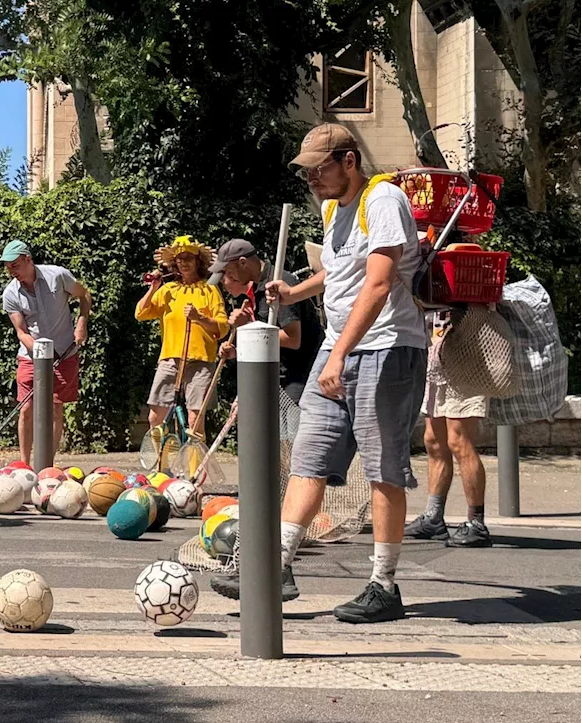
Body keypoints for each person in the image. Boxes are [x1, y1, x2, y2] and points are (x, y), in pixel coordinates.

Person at [211, 123, 429, 624]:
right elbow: (341, 271)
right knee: (308, 456)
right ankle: (277, 566)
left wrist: (336, 356)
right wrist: (294, 292)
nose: (311, 178)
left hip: (388, 348)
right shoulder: (334, 209)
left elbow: (377, 284)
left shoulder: (384, 199)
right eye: (306, 171)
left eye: (318, 168)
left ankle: (384, 585)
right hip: (342, 349)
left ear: (349, 161)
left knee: (382, 467)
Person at [0, 241, 91, 468]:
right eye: (8, 268)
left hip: (64, 351)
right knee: (26, 409)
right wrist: (41, 355)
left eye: (15, 266)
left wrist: (82, 324)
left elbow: (84, 294)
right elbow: (21, 332)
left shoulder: (58, 276)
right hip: (31, 356)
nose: (12, 272)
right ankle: (24, 465)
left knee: (55, 407)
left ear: (28, 259)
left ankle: (47, 466)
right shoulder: (10, 293)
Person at [408, 311, 492, 547]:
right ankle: (433, 517)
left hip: (466, 355)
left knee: (459, 441)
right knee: (434, 440)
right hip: (436, 357)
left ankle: (477, 523)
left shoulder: (473, 277)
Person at [209, 238, 324, 405]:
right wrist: (238, 351)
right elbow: (269, 336)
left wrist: (248, 327)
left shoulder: (278, 284)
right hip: (280, 375)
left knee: (292, 429)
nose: (228, 276)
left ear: (243, 263)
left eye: (228, 271)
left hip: (302, 376)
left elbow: (293, 340)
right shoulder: (258, 290)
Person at [135, 236, 228, 436]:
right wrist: (154, 287)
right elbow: (140, 313)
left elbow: (223, 327)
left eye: (188, 258)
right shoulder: (168, 290)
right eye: (180, 259)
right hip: (170, 360)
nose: (184, 262)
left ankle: (195, 467)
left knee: (194, 421)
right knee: (155, 418)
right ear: (174, 263)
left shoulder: (209, 289)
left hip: (201, 361)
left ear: (198, 262)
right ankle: (161, 466)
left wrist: (199, 318)